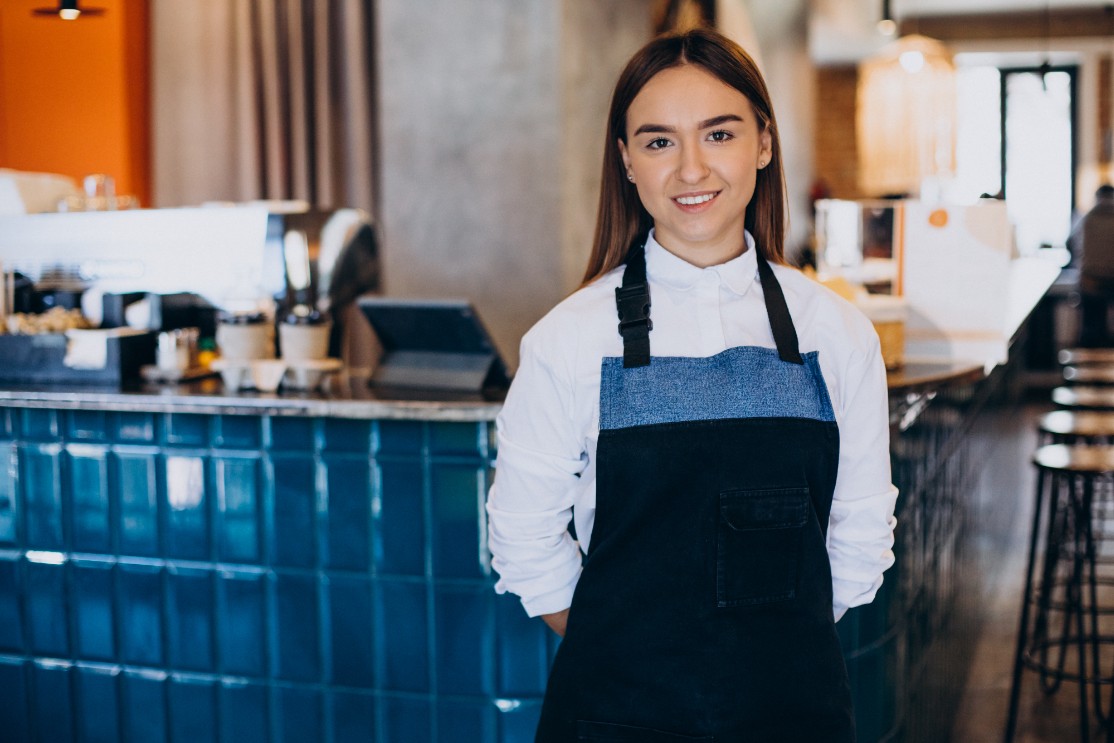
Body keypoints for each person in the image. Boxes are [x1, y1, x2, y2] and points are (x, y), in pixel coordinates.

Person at [486, 27, 897, 742]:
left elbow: (861, 537)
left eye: (719, 133)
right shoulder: (568, 339)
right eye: (658, 141)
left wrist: (767, 649)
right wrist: (630, 652)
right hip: (616, 713)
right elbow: (523, 540)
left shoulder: (837, 333)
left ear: (763, 144)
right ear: (626, 162)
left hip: (792, 713)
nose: (690, 168)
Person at [1072, 184, 1114, 347]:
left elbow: (1071, 245)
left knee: (1092, 328)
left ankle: (1091, 356)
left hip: (1091, 282)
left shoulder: (1086, 219)